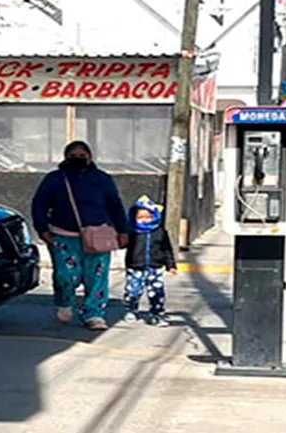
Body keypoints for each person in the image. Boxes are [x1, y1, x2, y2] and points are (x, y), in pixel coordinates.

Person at [30, 141, 128, 330]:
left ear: (90, 157)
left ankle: (94, 314)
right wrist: (42, 230)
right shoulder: (55, 179)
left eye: (82, 155)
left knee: (97, 277)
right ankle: (64, 302)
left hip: (98, 236)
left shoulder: (102, 179)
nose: (78, 158)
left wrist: (122, 231)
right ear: (65, 157)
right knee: (65, 276)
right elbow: (39, 205)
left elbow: (115, 205)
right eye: (73, 155)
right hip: (63, 236)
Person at [122, 194, 178, 325]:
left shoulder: (160, 232)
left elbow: (166, 249)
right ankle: (131, 310)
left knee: (156, 292)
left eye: (148, 217)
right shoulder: (132, 231)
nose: (144, 220)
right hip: (135, 266)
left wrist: (171, 265)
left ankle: (156, 314)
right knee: (132, 290)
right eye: (140, 217)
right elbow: (123, 244)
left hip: (155, 266)